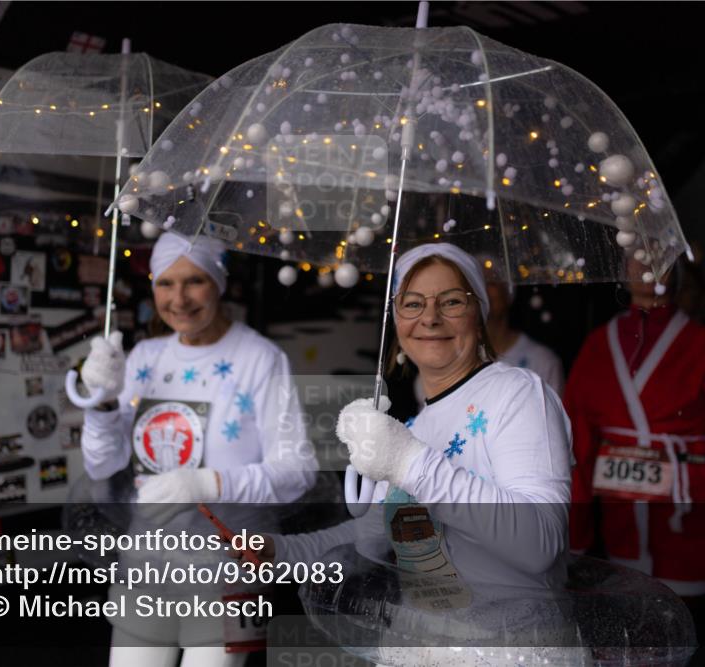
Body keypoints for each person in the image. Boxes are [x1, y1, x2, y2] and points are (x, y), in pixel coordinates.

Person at [239, 243, 576, 666]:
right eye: (412, 303)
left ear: (480, 312)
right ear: (396, 321)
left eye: (451, 301)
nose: (430, 318)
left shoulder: (518, 393)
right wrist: (278, 551)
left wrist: (410, 464)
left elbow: (539, 543)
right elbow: (367, 540)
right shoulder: (414, 426)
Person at [79, 232, 317, 667]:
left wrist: (208, 482)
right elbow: (101, 462)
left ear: (219, 283)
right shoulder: (144, 357)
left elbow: (298, 471)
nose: (179, 299)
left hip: (229, 576)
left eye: (194, 281)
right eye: (165, 283)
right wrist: (103, 403)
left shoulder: (260, 358)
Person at [564, 257, 705, 609]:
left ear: (675, 267)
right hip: (619, 526)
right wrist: (573, 534)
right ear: (622, 267)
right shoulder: (597, 346)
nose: (647, 265)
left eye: (660, 255)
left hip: (688, 524)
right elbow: (577, 451)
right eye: (635, 257)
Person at [484, 277, 564, 395]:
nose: (483, 290)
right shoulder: (458, 358)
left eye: (491, 282)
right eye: (476, 283)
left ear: (508, 292)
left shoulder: (543, 360)